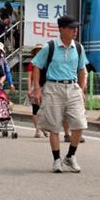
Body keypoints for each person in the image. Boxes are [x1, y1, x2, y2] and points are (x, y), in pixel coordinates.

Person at [32, 15, 89, 173]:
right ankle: (57, 160)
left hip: (72, 88)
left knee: (80, 124)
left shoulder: (78, 47)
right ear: (61, 29)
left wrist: (82, 89)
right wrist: (37, 89)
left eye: (76, 28)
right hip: (53, 87)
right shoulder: (49, 47)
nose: (75, 31)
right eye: (71, 28)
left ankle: (70, 156)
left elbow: (82, 69)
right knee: (54, 127)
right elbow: (36, 66)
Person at [26, 44, 48, 138]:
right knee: (35, 109)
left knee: (44, 109)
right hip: (35, 87)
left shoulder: (47, 62)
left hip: (46, 87)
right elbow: (29, 77)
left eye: (40, 50)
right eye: (37, 50)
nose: (39, 52)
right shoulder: (33, 63)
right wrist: (29, 89)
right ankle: (37, 130)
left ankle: (43, 127)